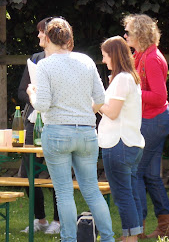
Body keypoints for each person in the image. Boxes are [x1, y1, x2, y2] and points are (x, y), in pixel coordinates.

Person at [26, 17, 114, 242]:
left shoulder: (45, 64)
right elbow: (101, 98)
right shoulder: (86, 61)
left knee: (64, 193)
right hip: (86, 131)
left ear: (48, 37)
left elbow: (42, 105)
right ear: (68, 38)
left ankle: (69, 240)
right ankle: (108, 238)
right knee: (92, 191)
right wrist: (83, 113)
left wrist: (32, 94)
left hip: (56, 132)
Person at [123, 14, 169, 239]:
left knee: (134, 172)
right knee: (151, 176)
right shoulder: (140, 54)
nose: (125, 35)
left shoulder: (152, 58)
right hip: (153, 119)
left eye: (128, 32)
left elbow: (158, 96)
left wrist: (131, 92)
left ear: (140, 35)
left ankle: (138, 229)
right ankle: (166, 227)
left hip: (154, 121)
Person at [94, 36, 145, 242]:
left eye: (105, 56)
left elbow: (112, 113)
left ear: (113, 55)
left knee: (123, 196)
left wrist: (94, 103)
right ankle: (132, 235)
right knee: (130, 194)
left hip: (119, 144)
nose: (104, 61)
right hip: (129, 143)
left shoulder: (122, 78)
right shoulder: (129, 77)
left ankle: (130, 239)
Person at [18, 17, 60, 234]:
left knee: (57, 172)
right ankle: (40, 218)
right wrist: (36, 98)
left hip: (57, 122)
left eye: (40, 32)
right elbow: (20, 91)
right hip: (34, 121)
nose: (38, 36)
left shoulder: (67, 60)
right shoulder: (35, 59)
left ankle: (58, 220)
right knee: (27, 173)